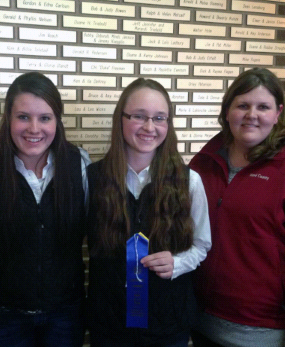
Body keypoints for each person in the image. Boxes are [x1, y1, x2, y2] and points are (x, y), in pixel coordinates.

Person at [189, 68, 285, 347]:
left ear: (278, 113)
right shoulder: (203, 163)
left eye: (262, 107)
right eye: (242, 105)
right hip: (199, 323)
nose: (251, 115)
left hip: (262, 333)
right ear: (227, 111)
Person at [86, 78, 211, 347]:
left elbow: (202, 245)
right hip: (110, 324)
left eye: (159, 118)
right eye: (139, 116)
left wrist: (178, 263)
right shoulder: (91, 179)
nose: (149, 127)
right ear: (120, 118)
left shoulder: (190, 182)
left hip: (167, 325)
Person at [0, 72, 90, 346]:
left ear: (57, 121)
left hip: (65, 314)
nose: (34, 129)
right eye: (23, 117)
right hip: (4, 315)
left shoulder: (79, 164)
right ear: (8, 118)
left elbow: (104, 224)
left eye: (45, 118)